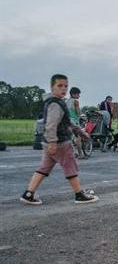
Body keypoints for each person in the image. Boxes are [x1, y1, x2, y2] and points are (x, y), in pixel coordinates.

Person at [20, 74, 98, 205]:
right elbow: (51, 124)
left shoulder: (54, 102)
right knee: (70, 167)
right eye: (60, 86)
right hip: (60, 142)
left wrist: (79, 131)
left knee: (43, 168)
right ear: (52, 87)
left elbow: (66, 122)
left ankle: (29, 193)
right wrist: (52, 142)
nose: (63, 89)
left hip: (48, 142)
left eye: (65, 86)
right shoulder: (56, 104)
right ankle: (79, 194)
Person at [66, 86, 85, 159]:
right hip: (74, 121)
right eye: (78, 94)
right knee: (78, 137)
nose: (79, 96)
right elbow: (78, 113)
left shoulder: (66, 101)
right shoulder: (75, 101)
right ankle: (80, 154)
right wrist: (83, 116)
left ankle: (74, 152)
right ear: (73, 94)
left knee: (69, 138)